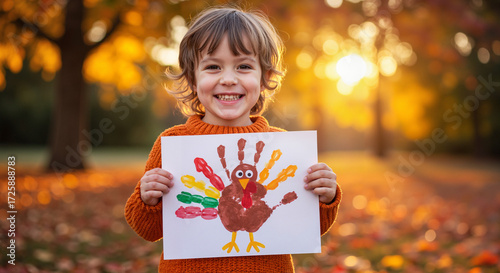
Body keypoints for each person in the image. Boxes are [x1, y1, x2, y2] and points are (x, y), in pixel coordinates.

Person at [124, 6, 342, 273]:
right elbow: (147, 230)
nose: (228, 79)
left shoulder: (286, 149)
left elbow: (307, 227)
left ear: (265, 78)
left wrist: (325, 197)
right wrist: (148, 199)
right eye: (213, 66)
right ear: (193, 78)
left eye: (244, 66)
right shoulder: (173, 142)